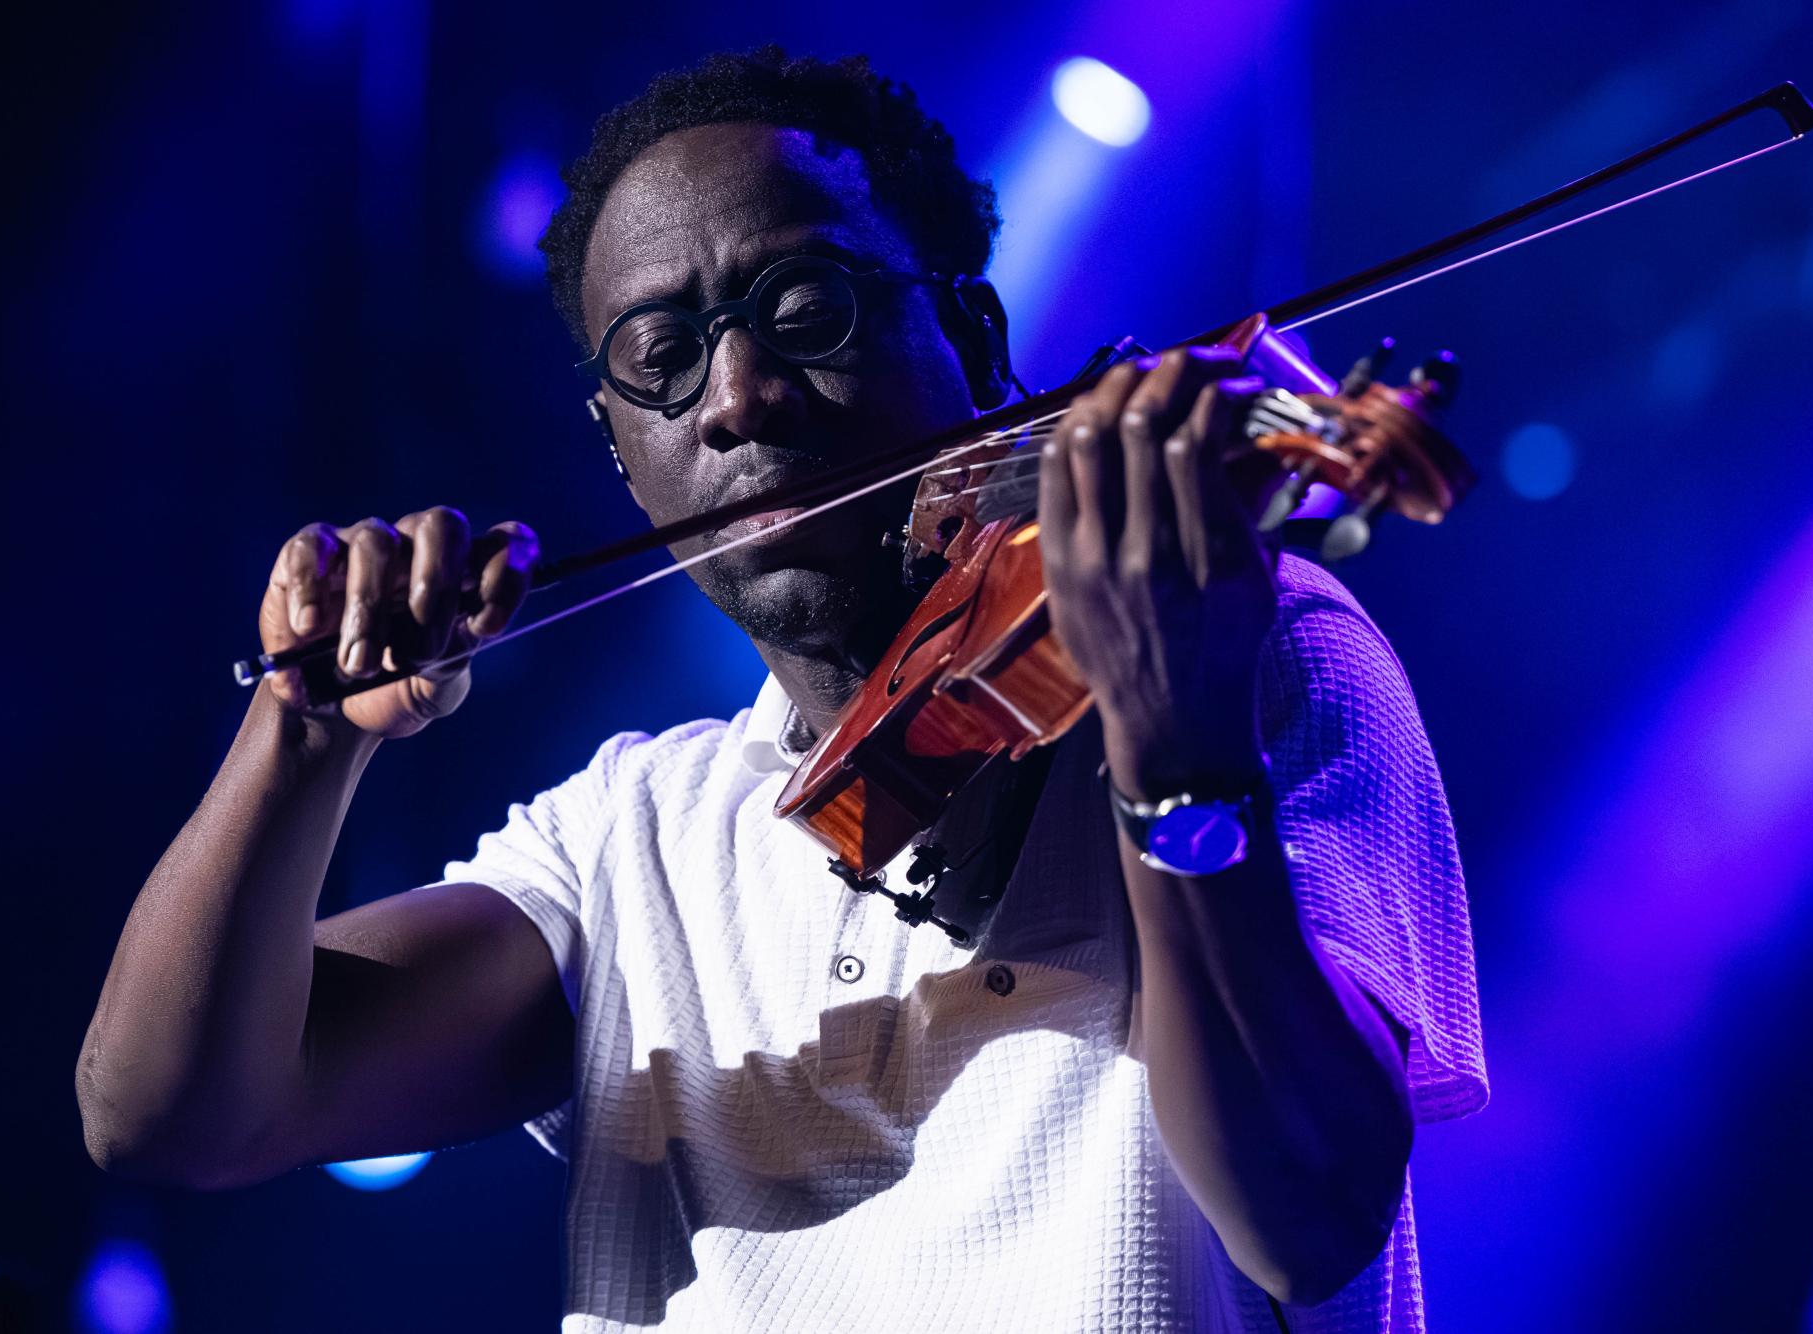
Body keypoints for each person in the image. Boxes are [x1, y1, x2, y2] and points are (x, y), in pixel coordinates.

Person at [76, 48, 1485, 1333]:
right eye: (662, 359)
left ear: (974, 337)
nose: (738, 396)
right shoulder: (633, 830)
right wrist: (303, 734)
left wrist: (1173, 741)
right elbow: (166, 1114)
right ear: (622, 450)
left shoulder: (1258, 648)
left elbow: (1308, 1218)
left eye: (807, 310)